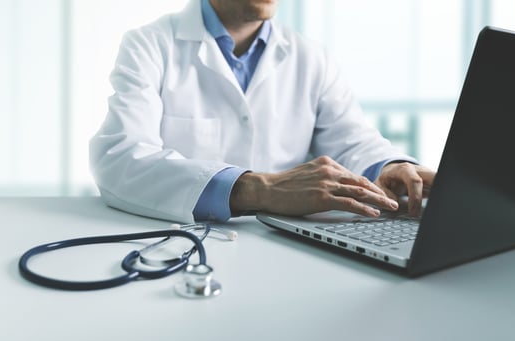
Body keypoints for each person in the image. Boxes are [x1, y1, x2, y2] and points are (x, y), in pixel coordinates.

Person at [89, 0, 435, 224]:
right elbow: (120, 159)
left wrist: (390, 167)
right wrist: (259, 190)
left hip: (286, 248)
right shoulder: (150, 45)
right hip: (181, 243)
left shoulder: (310, 57)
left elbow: (352, 139)